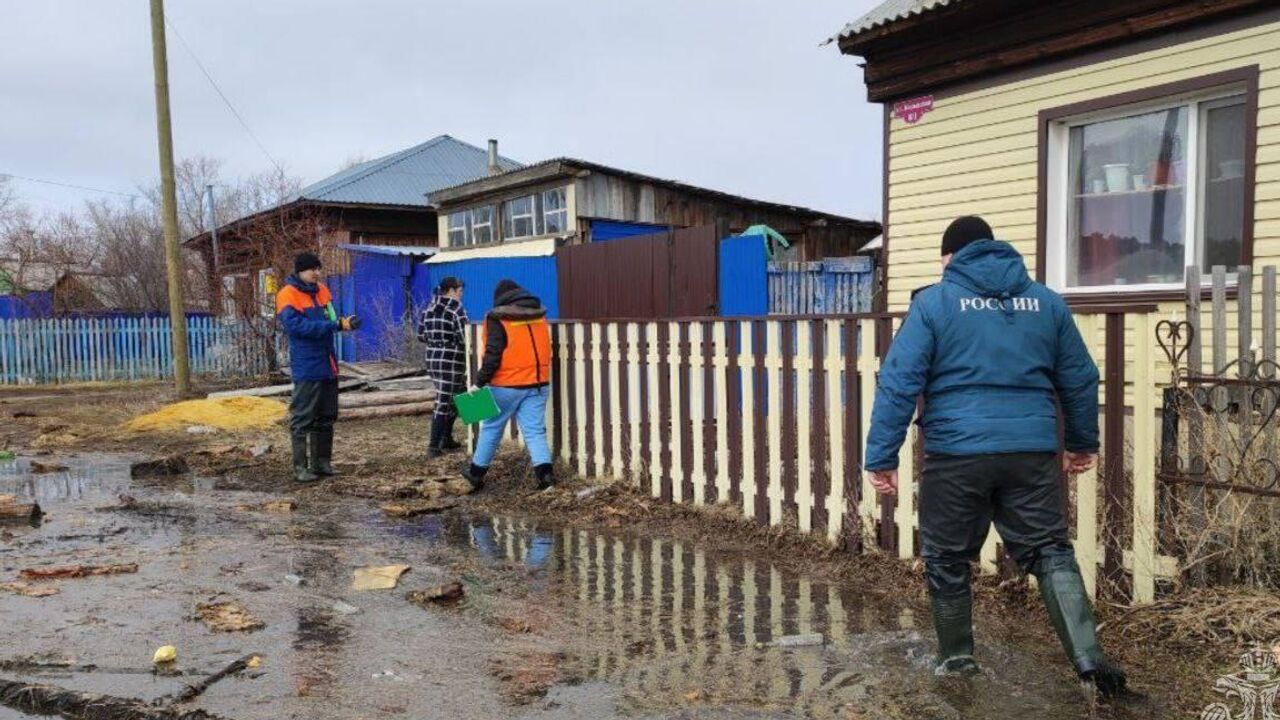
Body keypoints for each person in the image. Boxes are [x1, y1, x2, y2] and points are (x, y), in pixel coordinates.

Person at [863, 216, 1126, 695]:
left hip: (957, 451)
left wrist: (882, 456)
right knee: (1049, 551)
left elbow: (900, 381)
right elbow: (1080, 377)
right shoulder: (1046, 303)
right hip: (1030, 450)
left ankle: (958, 663)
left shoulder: (934, 303)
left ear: (951, 256)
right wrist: (1081, 443)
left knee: (947, 558)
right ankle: (1090, 662)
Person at [275, 252, 360, 483]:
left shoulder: (322, 290)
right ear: (300, 271)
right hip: (307, 363)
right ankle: (301, 467)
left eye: (318, 269)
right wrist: (333, 325)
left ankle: (322, 462)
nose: (317, 273)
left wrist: (344, 322)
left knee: (326, 415)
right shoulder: (287, 295)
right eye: (312, 269)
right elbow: (297, 327)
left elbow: (330, 316)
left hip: (327, 361)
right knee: (303, 416)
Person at [463, 279, 554, 491]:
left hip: (506, 385)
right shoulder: (539, 315)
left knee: (492, 428)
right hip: (538, 383)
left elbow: (493, 355)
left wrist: (479, 382)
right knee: (534, 432)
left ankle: (475, 475)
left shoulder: (497, 318)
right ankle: (546, 479)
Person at [417, 276, 468, 458]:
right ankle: (433, 446)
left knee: (461, 394)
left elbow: (421, 335)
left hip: (432, 358)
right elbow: (464, 337)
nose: (461, 295)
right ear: (452, 291)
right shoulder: (456, 310)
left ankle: (446, 438)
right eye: (460, 291)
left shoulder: (428, 308)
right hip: (452, 359)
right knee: (446, 400)